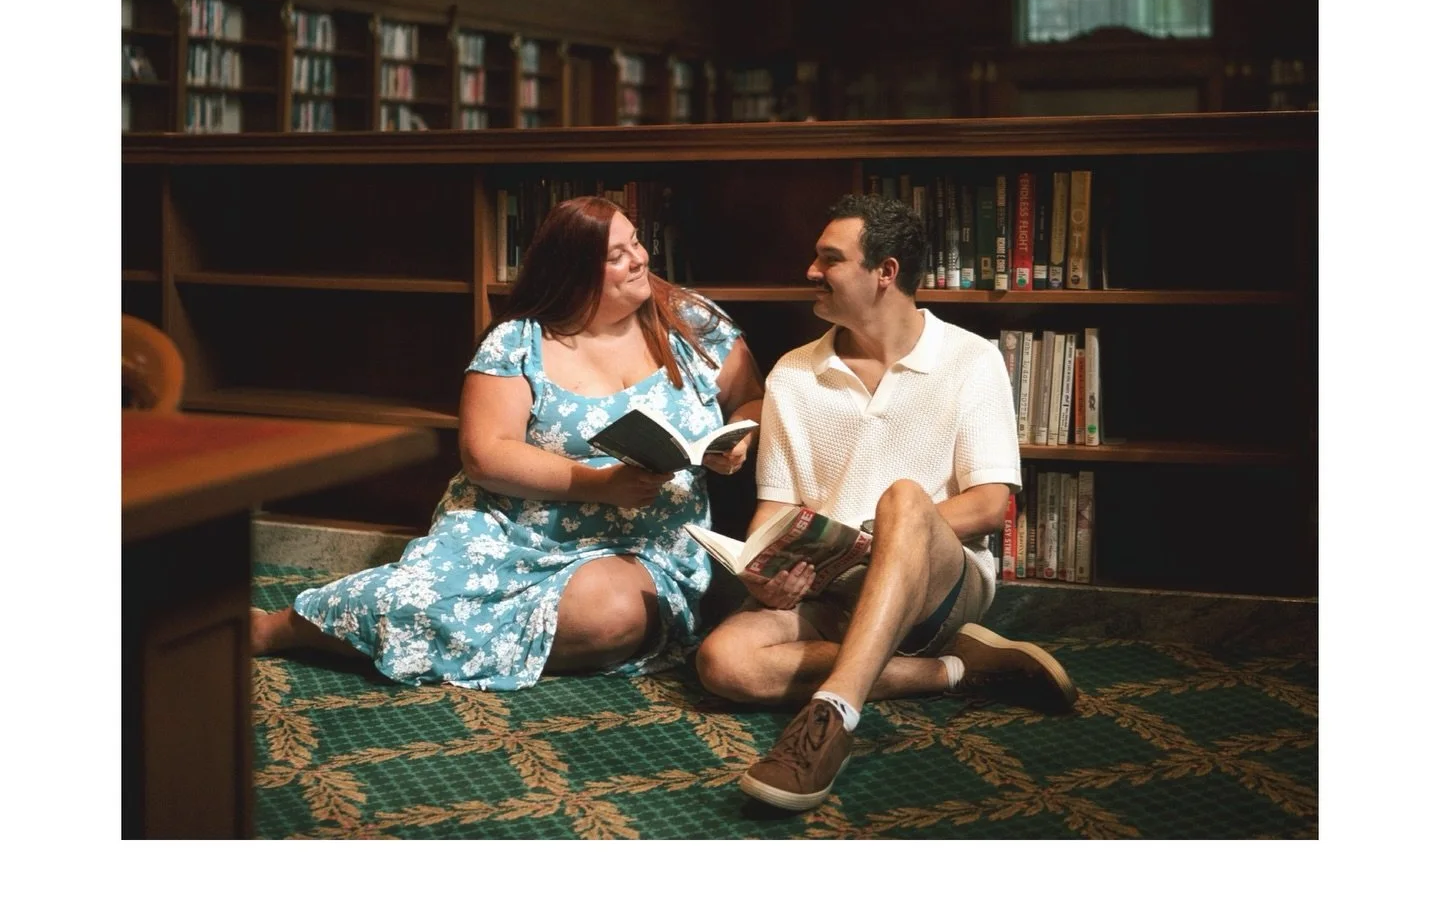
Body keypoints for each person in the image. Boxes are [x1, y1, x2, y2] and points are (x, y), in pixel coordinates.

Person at [251, 196, 764, 690]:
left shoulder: (691, 320)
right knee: (424, 595)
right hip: (511, 529)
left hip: (649, 545)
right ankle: (287, 627)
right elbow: (485, 453)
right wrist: (602, 485)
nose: (639, 260)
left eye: (636, 243)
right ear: (574, 272)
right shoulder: (520, 340)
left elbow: (752, 399)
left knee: (611, 619)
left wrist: (738, 438)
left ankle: (435, 638)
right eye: (616, 255)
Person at [695, 192, 1075, 812]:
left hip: (939, 584)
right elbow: (776, 509)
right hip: (830, 588)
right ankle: (955, 671)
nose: (811, 272)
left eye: (830, 259)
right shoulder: (794, 373)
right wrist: (764, 571)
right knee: (722, 660)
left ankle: (832, 716)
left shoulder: (970, 360)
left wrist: (882, 535)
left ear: (885, 273)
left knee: (902, 498)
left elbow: (986, 506)